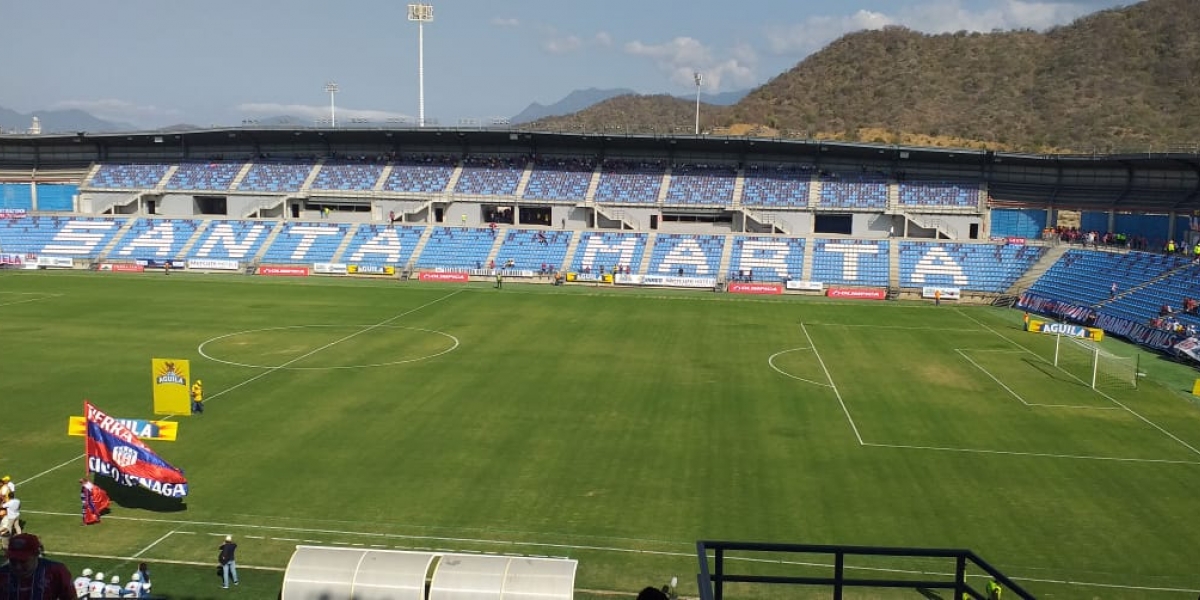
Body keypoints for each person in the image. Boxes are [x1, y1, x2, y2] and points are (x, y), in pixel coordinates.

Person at [0, 533, 78, 600]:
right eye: (13, 560)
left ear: (36, 555)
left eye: (23, 561)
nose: (18, 567)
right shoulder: (2, 574)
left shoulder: (56, 571)